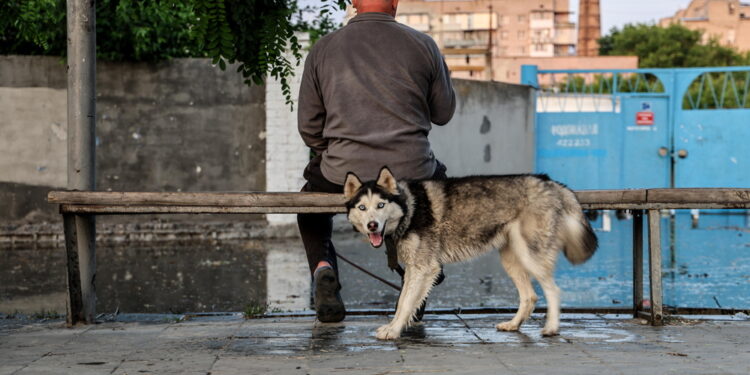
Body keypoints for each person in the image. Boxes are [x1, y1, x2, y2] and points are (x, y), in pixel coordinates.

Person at [297, 0, 456, 322]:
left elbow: (309, 128)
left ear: (354, 2)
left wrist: (334, 149)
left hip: (343, 170)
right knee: (430, 190)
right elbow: (443, 114)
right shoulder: (424, 45)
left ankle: (323, 268)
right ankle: (415, 271)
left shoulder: (324, 48)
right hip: (410, 168)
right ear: (395, 2)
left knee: (309, 207)